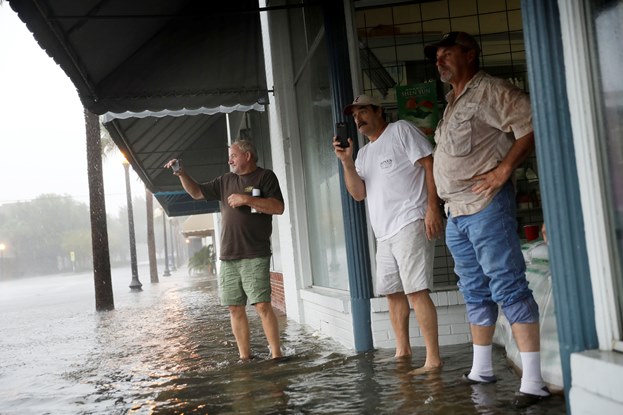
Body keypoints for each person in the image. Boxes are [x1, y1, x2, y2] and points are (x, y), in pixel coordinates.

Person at [424, 32, 551, 407]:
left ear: (471, 54)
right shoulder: (452, 101)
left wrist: (503, 171)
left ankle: (534, 381)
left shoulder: (490, 90)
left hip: (485, 207)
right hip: (457, 212)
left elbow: (530, 124)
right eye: (437, 57)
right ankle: (482, 369)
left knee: (508, 286)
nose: (440, 61)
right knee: (474, 291)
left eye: (448, 54)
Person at [333, 94, 443, 374]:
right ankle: (402, 350)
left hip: (410, 221)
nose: (358, 118)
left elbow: (429, 163)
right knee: (392, 294)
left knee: (416, 291)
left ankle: (432, 359)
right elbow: (358, 194)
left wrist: (433, 208)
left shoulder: (401, 130)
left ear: (379, 111)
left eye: (364, 111)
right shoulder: (364, 153)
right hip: (383, 233)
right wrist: (346, 162)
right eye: (355, 115)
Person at [165, 139, 284, 360]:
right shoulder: (225, 180)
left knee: (262, 305)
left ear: (247, 156)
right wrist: (182, 173)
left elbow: (278, 207)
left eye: (234, 155)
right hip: (228, 255)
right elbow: (197, 193)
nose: (229, 160)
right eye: (230, 156)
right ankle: (245, 358)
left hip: (254, 253)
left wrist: (246, 199)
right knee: (234, 308)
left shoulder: (265, 177)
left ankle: (277, 356)